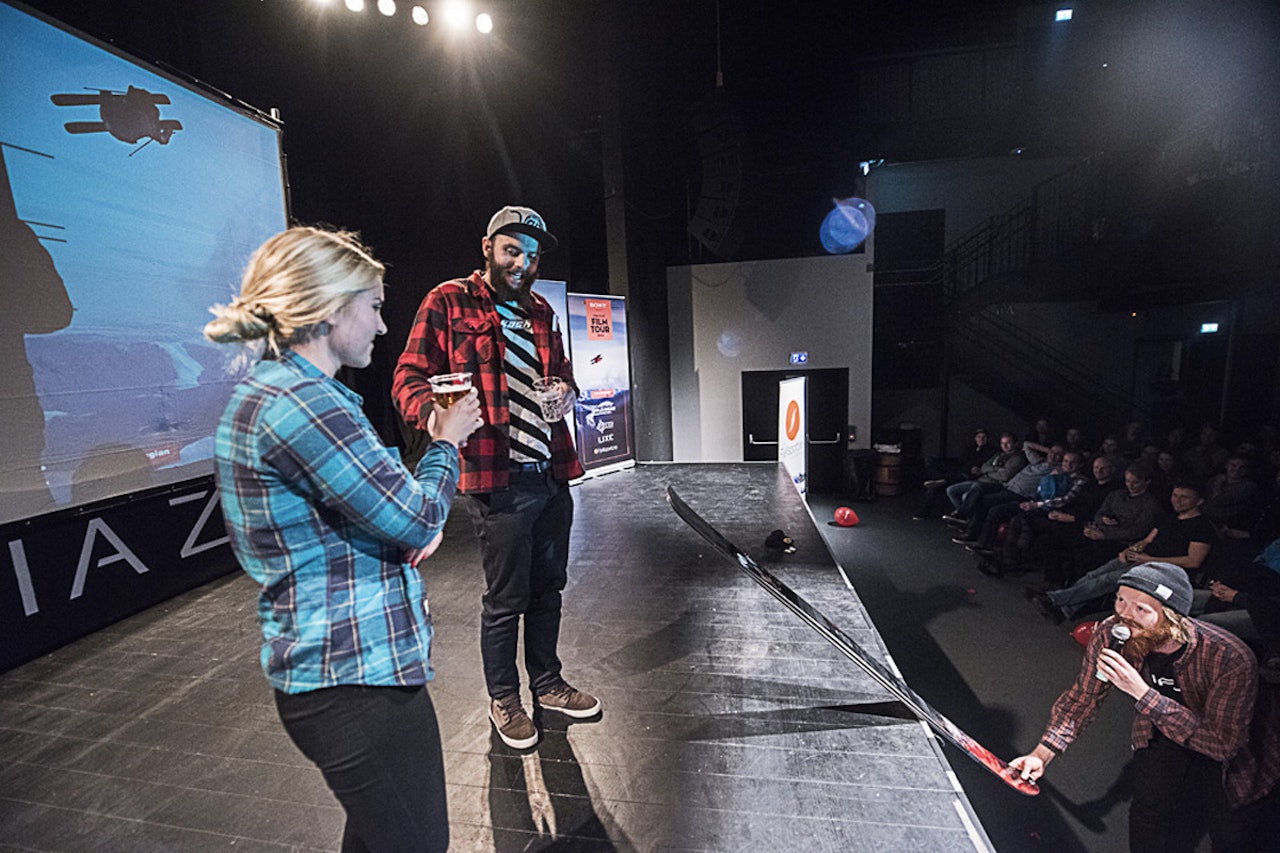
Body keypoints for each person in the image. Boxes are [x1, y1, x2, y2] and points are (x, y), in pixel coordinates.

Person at [206, 226, 482, 852]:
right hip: (357, 682)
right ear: (331, 308)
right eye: (376, 307)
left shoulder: (281, 396)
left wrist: (407, 524)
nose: (384, 328)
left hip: (340, 676)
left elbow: (393, 520)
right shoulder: (306, 404)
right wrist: (445, 443)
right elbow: (415, 520)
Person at [393, 205, 600, 750]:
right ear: (487, 247)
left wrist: (564, 389)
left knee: (548, 588)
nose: (523, 263)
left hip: (551, 471)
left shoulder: (540, 309)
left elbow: (563, 373)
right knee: (506, 597)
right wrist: (435, 417)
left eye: (531, 256)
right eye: (513, 251)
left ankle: (548, 683)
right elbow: (407, 377)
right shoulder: (448, 300)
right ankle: (503, 697)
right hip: (495, 477)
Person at [1011, 563, 1280, 852]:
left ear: (1171, 617)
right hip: (1161, 727)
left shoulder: (1229, 656)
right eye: (1121, 600)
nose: (1124, 615)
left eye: (1141, 609)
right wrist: (1043, 754)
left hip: (1230, 749)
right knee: (1148, 810)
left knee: (1230, 830)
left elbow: (1223, 744)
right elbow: (1084, 697)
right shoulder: (1110, 634)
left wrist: (1142, 693)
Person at [1031, 481, 1215, 623]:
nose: (1177, 500)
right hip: (1142, 558)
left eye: (1184, 497)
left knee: (1108, 580)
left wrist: (1150, 559)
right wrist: (1130, 550)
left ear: (1199, 501)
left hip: (1164, 571)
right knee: (1094, 574)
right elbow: (1147, 540)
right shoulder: (1170, 517)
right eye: (1175, 495)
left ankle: (1054, 599)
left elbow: (1193, 561)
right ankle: (1064, 610)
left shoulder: (1201, 527)